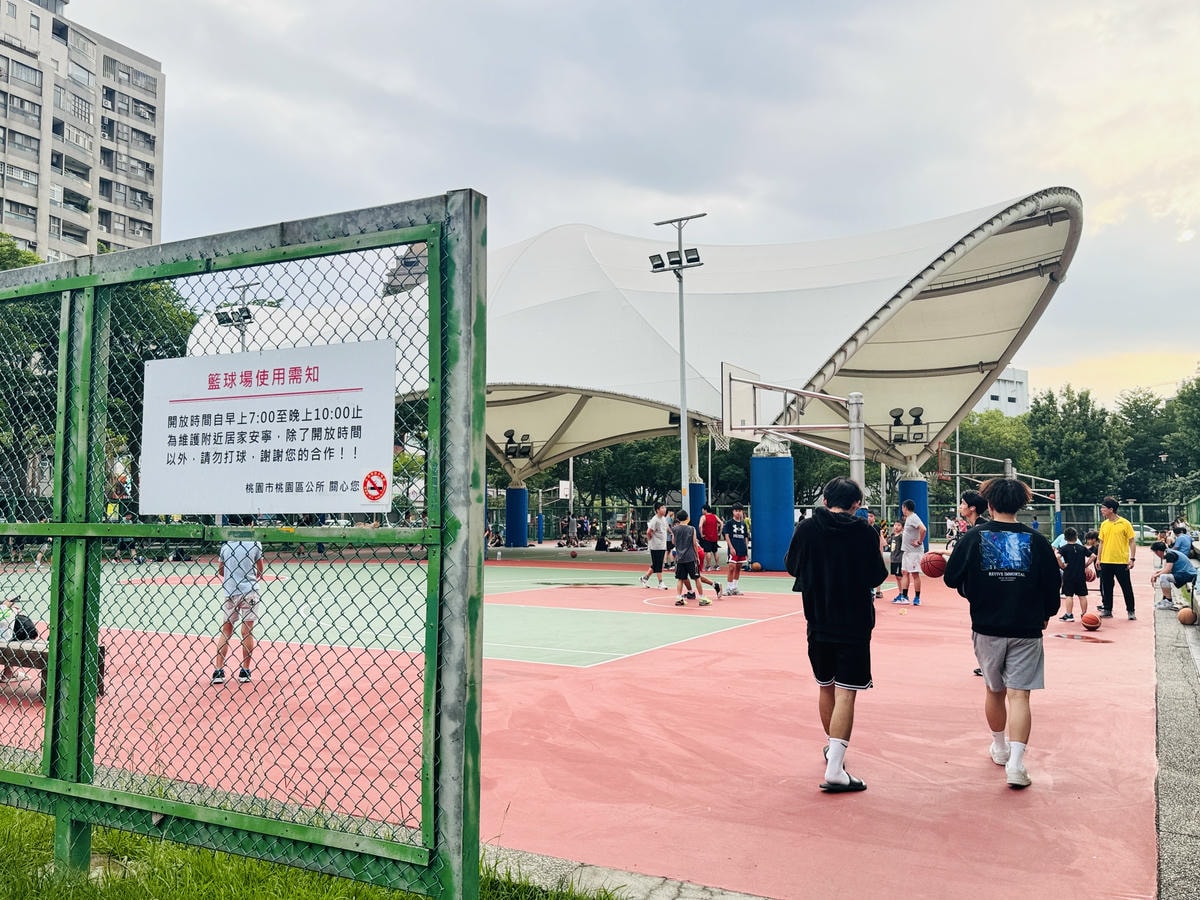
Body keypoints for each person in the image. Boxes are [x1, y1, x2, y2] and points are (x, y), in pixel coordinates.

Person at [943, 478, 1062, 789]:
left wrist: (973, 589)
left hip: (987, 625)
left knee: (994, 690)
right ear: (1020, 505)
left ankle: (999, 747)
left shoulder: (973, 538)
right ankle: (1017, 765)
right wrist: (1046, 614)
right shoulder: (1037, 541)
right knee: (1020, 695)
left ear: (990, 505)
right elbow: (1052, 586)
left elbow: (951, 578)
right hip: (1027, 627)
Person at [785, 476, 888, 793]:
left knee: (825, 687)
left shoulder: (806, 528)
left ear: (825, 499)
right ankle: (835, 767)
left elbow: (791, 567)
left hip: (817, 620)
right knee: (847, 692)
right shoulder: (864, 532)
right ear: (856, 504)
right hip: (854, 623)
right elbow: (877, 575)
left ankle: (833, 752)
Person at [212, 515, 264, 685]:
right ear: (249, 524)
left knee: (226, 630)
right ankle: (245, 670)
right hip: (249, 592)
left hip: (230, 591)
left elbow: (221, 571)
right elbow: (260, 569)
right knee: (247, 631)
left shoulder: (226, 546)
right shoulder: (255, 543)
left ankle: (219, 671)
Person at [1097, 497, 1137, 620]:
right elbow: (1101, 543)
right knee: (1107, 587)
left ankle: (1131, 611)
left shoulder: (1125, 523)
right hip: (1106, 561)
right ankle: (1107, 609)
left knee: (1126, 587)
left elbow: (1132, 541)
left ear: (1111, 509)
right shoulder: (1104, 524)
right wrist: (1099, 559)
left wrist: (1132, 558)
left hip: (1121, 561)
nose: (1101, 510)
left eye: (1104, 508)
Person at [891, 500, 926, 606]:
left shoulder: (914, 518)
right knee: (905, 572)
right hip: (907, 551)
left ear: (905, 507)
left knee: (915, 574)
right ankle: (904, 597)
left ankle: (917, 598)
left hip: (914, 552)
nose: (902, 510)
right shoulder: (909, 519)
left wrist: (919, 541)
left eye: (902, 508)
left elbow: (923, 529)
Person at [671, 509, 708, 607]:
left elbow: (673, 542)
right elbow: (694, 543)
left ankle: (679, 597)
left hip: (680, 558)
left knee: (680, 578)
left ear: (678, 519)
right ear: (687, 518)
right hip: (691, 557)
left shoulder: (674, 529)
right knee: (697, 578)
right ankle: (702, 597)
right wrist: (697, 556)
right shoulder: (691, 529)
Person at [1055, 527, 1091, 622]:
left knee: (1069, 595)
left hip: (1069, 574)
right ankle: (1084, 615)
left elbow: (1057, 556)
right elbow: (1093, 556)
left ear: (1065, 538)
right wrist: (1086, 564)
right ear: (1076, 536)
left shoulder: (1064, 548)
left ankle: (1069, 615)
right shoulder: (1082, 548)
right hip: (1080, 575)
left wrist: (1062, 565)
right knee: (1082, 595)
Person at [1150, 540, 1197, 609]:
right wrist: (1157, 573)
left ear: (1158, 551)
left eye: (1155, 553)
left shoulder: (1170, 554)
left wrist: (1155, 576)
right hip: (1184, 573)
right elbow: (1166, 568)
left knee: (1164, 577)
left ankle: (1169, 601)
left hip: (1188, 574)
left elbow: (1167, 570)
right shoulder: (1169, 553)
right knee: (1163, 576)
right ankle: (1165, 599)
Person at [639, 503, 672, 590]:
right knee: (658, 564)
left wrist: (672, 532)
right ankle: (661, 582)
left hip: (662, 545)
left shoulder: (663, 519)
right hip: (656, 545)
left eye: (665, 507)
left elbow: (667, 527)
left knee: (655, 564)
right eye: (662, 508)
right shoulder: (655, 520)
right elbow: (648, 532)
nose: (664, 509)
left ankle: (644, 578)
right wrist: (651, 541)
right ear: (657, 510)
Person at [722, 503, 751, 595]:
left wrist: (746, 549)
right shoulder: (729, 523)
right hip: (733, 547)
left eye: (740, 511)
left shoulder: (743, 524)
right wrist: (731, 547)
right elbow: (726, 536)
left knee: (738, 568)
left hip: (742, 548)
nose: (738, 513)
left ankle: (734, 587)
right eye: (736, 511)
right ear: (733, 512)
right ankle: (728, 588)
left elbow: (746, 537)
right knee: (731, 567)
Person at [698, 504, 722, 571]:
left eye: (702, 510)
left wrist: (701, 534)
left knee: (708, 551)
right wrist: (720, 532)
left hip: (707, 537)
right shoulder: (715, 516)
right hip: (714, 537)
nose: (702, 511)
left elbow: (700, 526)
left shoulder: (703, 517)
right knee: (715, 551)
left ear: (705, 510)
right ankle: (717, 565)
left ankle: (708, 566)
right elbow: (721, 522)